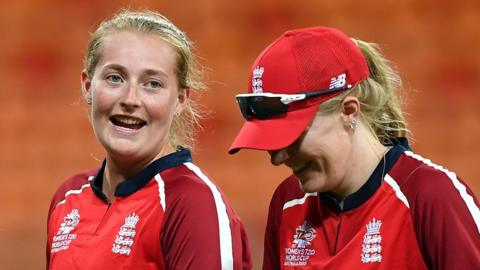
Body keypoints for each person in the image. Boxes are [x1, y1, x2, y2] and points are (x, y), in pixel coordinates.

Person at [229, 26, 480, 269]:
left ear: (349, 111)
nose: (278, 158)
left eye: (291, 137)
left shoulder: (431, 197)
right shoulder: (288, 202)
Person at [46, 9, 252, 269]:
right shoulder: (67, 197)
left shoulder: (192, 204)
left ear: (180, 99)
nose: (130, 99)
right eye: (114, 78)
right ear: (88, 85)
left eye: (152, 84)